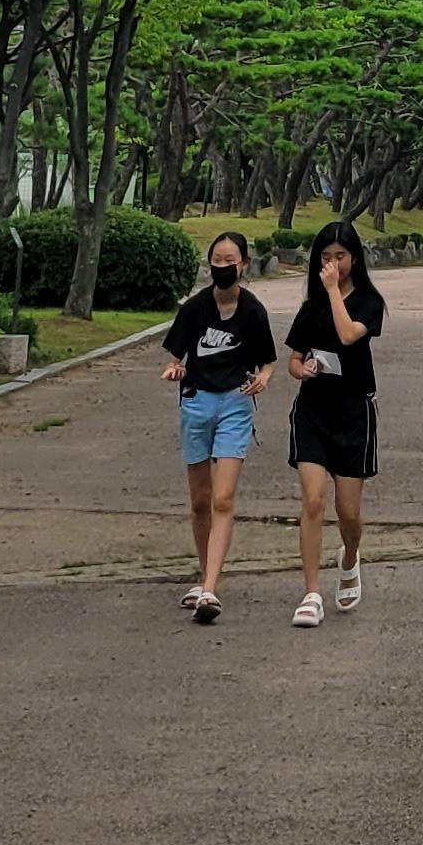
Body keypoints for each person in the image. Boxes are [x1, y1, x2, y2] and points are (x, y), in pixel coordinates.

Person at [162, 230, 277, 622]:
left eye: (230, 261)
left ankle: (210, 588)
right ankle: (204, 573)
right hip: (197, 403)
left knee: (223, 498)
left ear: (243, 264)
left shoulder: (253, 311)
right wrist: (175, 369)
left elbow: (268, 361)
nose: (223, 267)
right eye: (217, 261)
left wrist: (263, 378)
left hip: (235, 404)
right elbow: (176, 355)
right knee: (200, 500)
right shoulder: (195, 308)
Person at [282, 218, 385, 627]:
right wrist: (302, 369)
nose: (333, 264)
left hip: (353, 413)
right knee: (312, 500)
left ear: (354, 258)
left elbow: (347, 335)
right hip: (313, 410)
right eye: (325, 257)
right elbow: (292, 359)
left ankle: (350, 554)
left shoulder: (368, 302)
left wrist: (332, 293)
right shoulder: (312, 307)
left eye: (340, 256)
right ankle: (310, 592)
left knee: (347, 511)